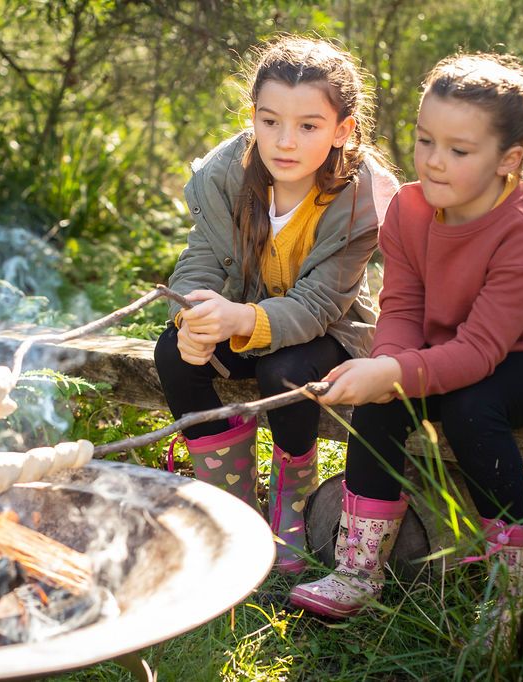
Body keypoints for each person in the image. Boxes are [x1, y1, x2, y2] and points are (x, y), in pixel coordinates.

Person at [289, 52, 523, 633]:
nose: (433, 161)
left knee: (471, 405)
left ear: (509, 160)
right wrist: (385, 365)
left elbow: (482, 354)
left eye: (458, 150)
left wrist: (398, 372)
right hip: (450, 343)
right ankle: (359, 569)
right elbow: (402, 306)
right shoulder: (408, 207)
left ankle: (513, 578)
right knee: (382, 399)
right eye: (425, 140)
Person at [154, 36, 398, 574]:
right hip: (245, 316)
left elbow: (317, 304)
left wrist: (240, 318)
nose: (285, 142)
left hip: (329, 334)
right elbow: (201, 260)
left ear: (342, 130)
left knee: (285, 368)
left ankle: (293, 501)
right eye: (270, 122)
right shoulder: (227, 174)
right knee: (173, 352)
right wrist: (191, 318)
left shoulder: (359, 197)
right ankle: (231, 507)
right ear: (253, 117)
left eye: (308, 126)